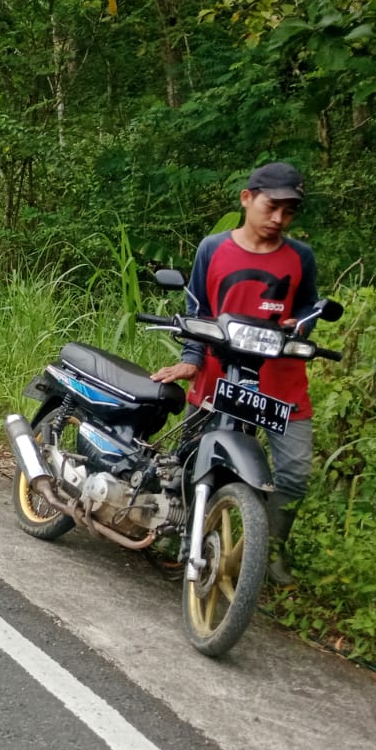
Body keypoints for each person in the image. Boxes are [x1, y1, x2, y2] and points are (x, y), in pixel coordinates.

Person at [151, 161, 318, 583]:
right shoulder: (212, 248)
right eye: (271, 207)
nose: (278, 218)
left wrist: (299, 326)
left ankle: (267, 552)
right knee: (194, 458)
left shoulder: (300, 257)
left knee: (294, 473)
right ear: (247, 198)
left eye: (288, 212)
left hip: (280, 385)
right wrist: (191, 359)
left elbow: (308, 309)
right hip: (217, 377)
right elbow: (197, 309)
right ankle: (185, 539)